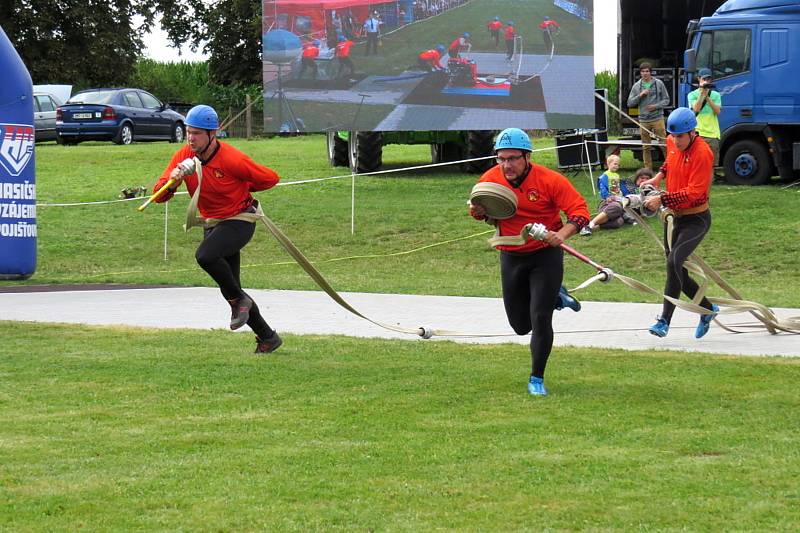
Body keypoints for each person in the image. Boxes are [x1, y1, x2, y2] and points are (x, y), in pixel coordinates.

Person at [152, 105, 283, 354]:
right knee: (231, 287)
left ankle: (240, 302)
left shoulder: (232, 159)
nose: (190, 138)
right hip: (213, 223)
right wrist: (174, 181)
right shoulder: (182, 158)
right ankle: (267, 338)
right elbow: (159, 196)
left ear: (213, 134)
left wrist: (242, 186)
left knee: (205, 256)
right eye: (188, 132)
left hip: (240, 220)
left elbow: (270, 178)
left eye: (197, 133)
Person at [469, 128, 590, 396]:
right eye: (501, 158)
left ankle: (537, 378)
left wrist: (561, 235)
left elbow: (580, 213)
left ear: (527, 156)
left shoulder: (550, 180)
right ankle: (558, 295)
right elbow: (481, 210)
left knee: (540, 317)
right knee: (521, 326)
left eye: (512, 158)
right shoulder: (490, 179)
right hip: (511, 256)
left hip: (544, 256)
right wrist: (478, 213)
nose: (506, 165)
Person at [640, 107, 719, 339]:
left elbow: (693, 194)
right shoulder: (673, 142)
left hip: (696, 219)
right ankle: (707, 310)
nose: (676, 140)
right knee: (677, 270)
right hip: (674, 218)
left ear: (692, 132)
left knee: (674, 262)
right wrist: (659, 176)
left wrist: (661, 198)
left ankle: (664, 320)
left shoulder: (703, 153)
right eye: (673, 136)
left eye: (680, 136)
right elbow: (669, 161)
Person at [627, 62, 670, 171]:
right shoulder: (637, 86)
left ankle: (669, 167)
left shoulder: (658, 83)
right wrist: (640, 95)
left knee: (663, 144)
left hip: (657, 118)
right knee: (646, 147)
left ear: (651, 72)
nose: (645, 73)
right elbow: (629, 103)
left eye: (647, 71)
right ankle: (647, 170)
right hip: (643, 120)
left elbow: (666, 100)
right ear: (640, 73)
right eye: (643, 71)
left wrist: (656, 106)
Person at [580, 154, 632, 235]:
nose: (617, 166)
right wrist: (607, 196)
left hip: (617, 199)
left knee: (619, 222)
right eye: (615, 164)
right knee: (616, 207)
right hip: (608, 202)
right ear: (608, 164)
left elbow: (617, 189)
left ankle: (595, 227)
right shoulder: (605, 176)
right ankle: (590, 225)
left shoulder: (616, 175)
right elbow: (602, 188)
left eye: (618, 165)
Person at [687, 68, 722, 179]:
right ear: (699, 79)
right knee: (696, 162)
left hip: (712, 134)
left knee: (711, 164)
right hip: (698, 133)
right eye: (704, 79)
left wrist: (707, 96)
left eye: (708, 79)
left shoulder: (716, 95)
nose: (707, 81)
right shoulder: (692, 95)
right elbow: (696, 109)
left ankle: (708, 185)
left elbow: (717, 111)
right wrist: (701, 95)